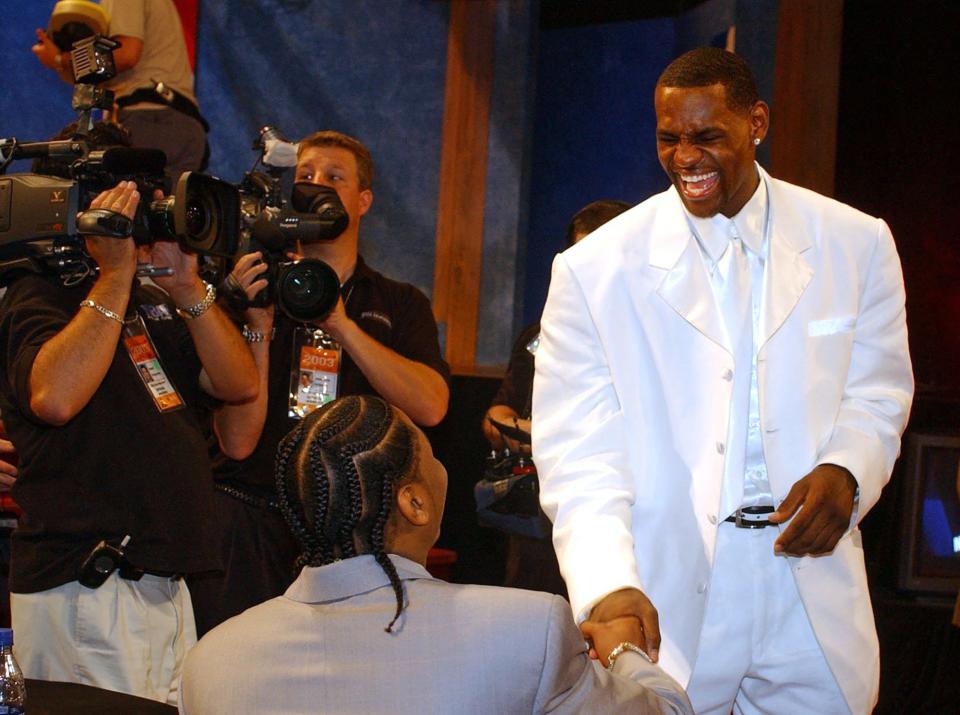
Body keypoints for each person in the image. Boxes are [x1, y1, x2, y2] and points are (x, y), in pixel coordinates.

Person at [532, 47, 913, 715]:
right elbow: (577, 455)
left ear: (757, 123)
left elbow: (878, 394)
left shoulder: (858, 243)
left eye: (707, 137)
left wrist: (847, 469)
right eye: (668, 138)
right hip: (669, 596)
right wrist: (606, 584)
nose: (686, 157)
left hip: (807, 587)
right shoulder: (593, 270)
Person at [178, 395, 692, 715]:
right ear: (415, 503)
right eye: (429, 451)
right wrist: (624, 653)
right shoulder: (526, 630)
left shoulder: (209, 661)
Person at [0, 180, 258, 703]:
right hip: (87, 584)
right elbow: (54, 397)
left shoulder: (152, 303)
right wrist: (115, 272)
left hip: (163, 581)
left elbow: (238, 384)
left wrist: (187, 287)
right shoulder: (39, 293)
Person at [186, 130, 451, 635]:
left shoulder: (399, 302)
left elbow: (432, 406)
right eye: (305, 176)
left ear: (363, 200)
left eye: (334, 177)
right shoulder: (250, 287)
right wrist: (253, 322)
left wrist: (342, 325)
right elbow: (236, 441)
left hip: (356, 538)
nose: (317, 186)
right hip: (249, 520)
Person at [482, 200, 630, 595]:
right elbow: (497, 411)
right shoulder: (540, 333)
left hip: (625, 520)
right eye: (579, 258)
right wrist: (529, 430)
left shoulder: (652, 334)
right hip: (539, 523)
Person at [32, 0, 207, 183]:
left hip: (150, 119)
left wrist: (61, 59)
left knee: (131, 203)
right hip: (180, 122)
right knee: (168, 207)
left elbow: (126, 54)